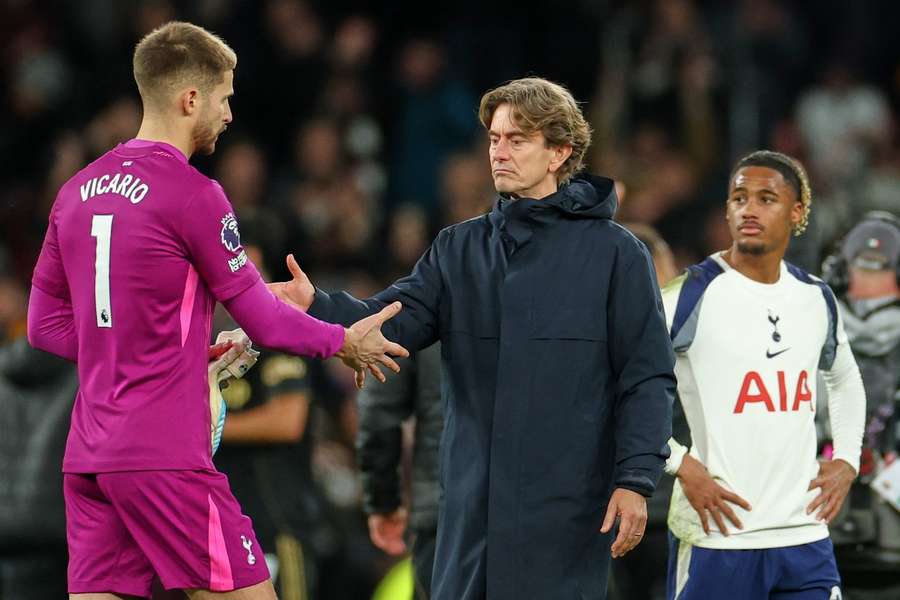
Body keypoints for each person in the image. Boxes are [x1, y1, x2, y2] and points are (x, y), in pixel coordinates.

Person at [25, 21, 407, 600]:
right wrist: (341, 339)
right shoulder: (194, 194)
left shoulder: (74, 191)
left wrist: (155, 353)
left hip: (89, 460)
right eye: (225, 98)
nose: (229, 114)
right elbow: (262, 318)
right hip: (165, 458)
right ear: (190, 99)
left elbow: (42, 326)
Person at [271, 77, 676, 600]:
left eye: (517, 139)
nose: (499, 152)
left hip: (567, 513)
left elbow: (647, 377)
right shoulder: (458, 248)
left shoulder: (617, 255)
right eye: (493, 139)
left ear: (560, 152)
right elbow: (393, 318)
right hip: (470, 514)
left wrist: (635, 480)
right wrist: (318, 306)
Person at [662, 150, 866, 600]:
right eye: (739, 197)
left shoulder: (815, 297)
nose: (749, 209)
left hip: (804, 537)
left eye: (766, 198)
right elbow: (621, 383)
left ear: (798, 212)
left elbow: (845, 378)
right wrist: (676, 461)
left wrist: (847, 458)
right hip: (719, 536)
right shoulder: (689, 294)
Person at [357, 343, 442, 599]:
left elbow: (379, 411)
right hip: (548, 512)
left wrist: (383, 502)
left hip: (446, 508)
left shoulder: (423, 304)